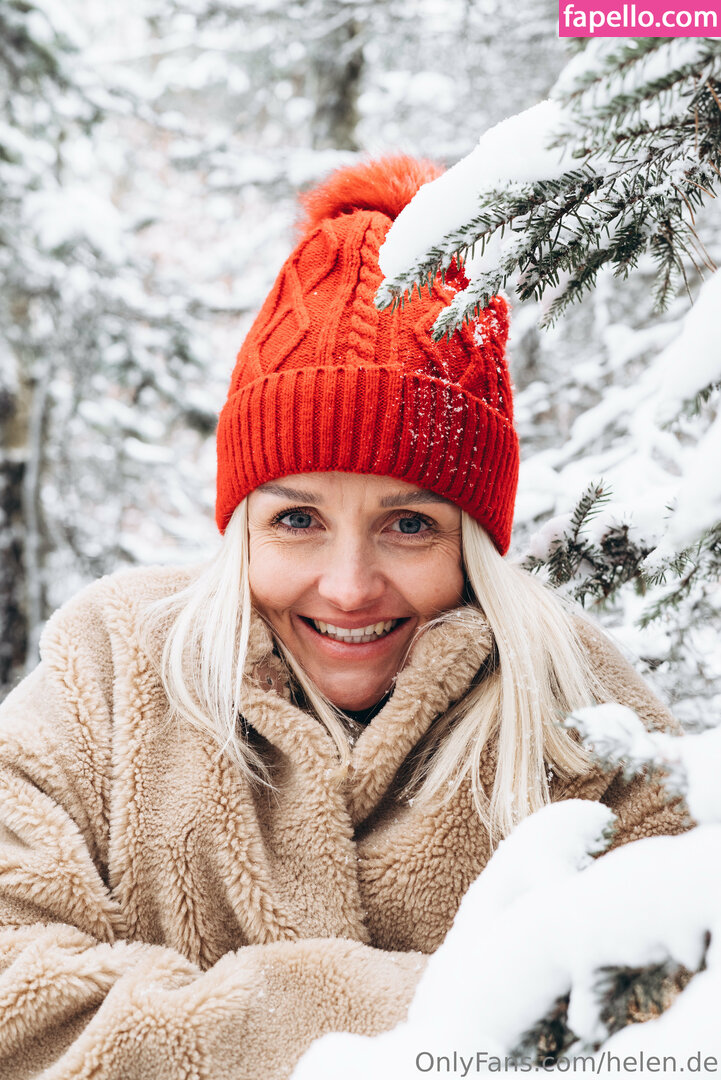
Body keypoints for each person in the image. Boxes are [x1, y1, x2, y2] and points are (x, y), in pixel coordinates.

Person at [0, 155, 692, 1079]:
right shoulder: (113, 666)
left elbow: (674, 1019)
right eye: (298, 520)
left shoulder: (582, 717)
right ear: (241, 527)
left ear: (473, 543)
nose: (349, 587)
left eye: (409, 525)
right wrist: (393, 1019)